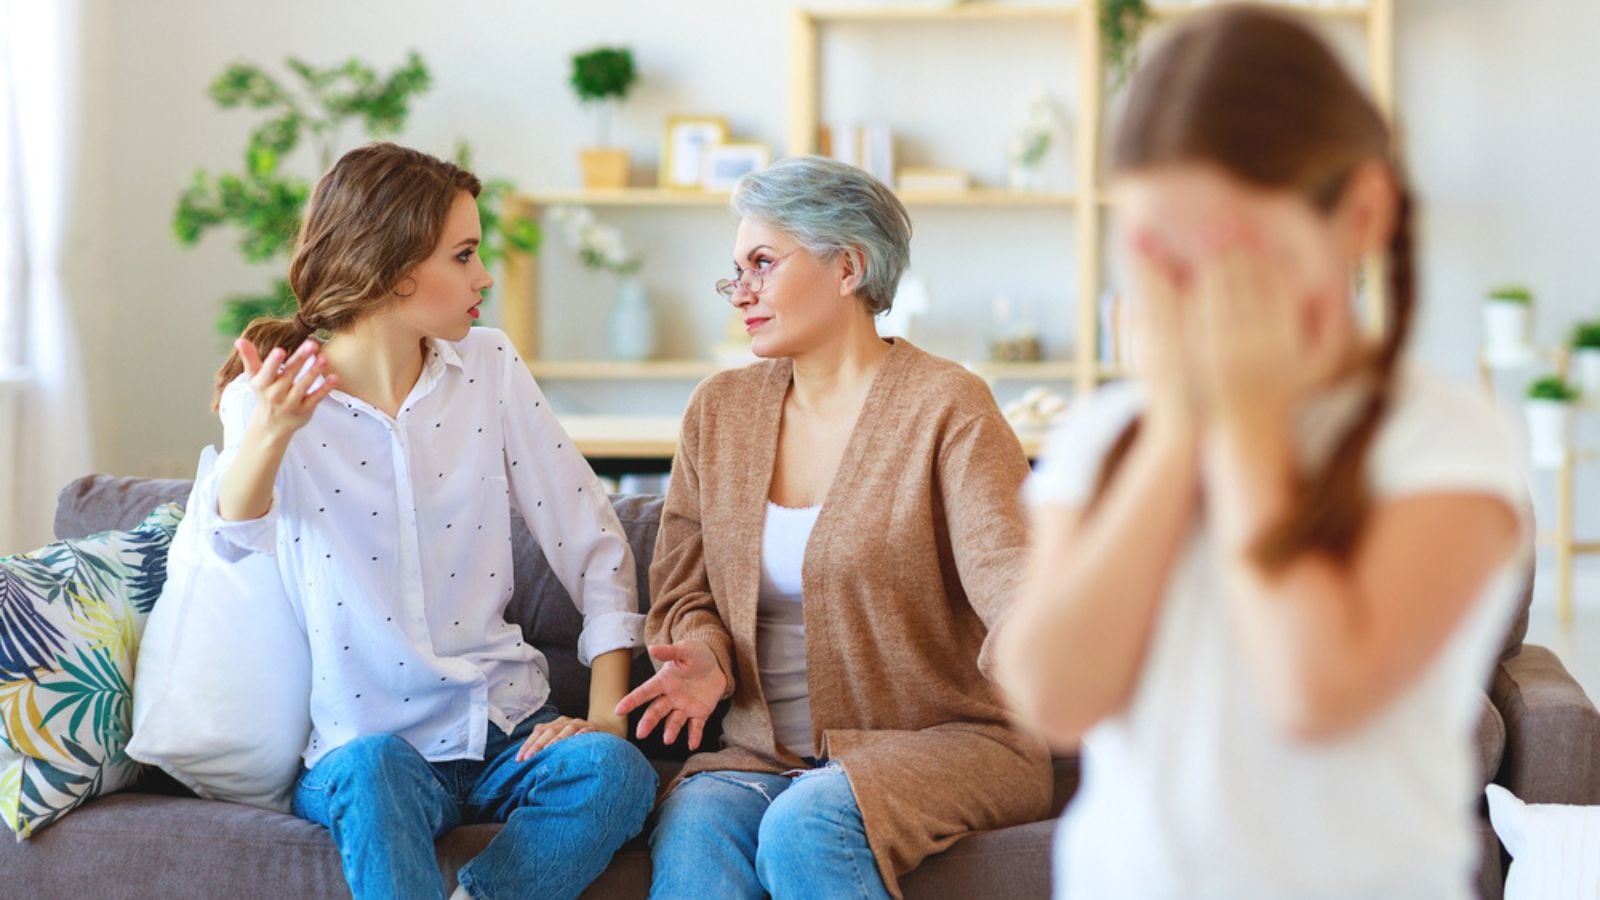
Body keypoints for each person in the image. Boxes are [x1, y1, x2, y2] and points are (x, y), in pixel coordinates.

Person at [993, 8, 1530, 899]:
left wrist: (1246, 426)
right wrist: (1177, 426)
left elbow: (1315, 692)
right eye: (1158, 254)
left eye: (1232, 255)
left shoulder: (1447, 443)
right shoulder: (1109, 433)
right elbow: (1055, 698)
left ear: (1360, 215)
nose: (1195, 297)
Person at [191, 142, 656, 900]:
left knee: (615, 774)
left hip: (505, 726)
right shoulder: (270, 398)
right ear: (396, 268)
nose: (485, 277)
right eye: (465, 255)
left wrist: (605, 715)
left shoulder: (490, 368)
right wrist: (274, 429)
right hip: (365, 748)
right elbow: (233, 540)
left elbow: (593, 542)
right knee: (373, 772)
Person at [616, 156, 1053, 899]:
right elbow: (684, 592)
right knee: (695, 827)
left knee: (806, 822)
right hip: (761, 753)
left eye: (762, 262)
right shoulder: (717, 413)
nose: (741, 291)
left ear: (847, 266)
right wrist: (704, 654)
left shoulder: (947, 405)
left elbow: (1009, 572)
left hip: (949, 744)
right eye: (735, 270)